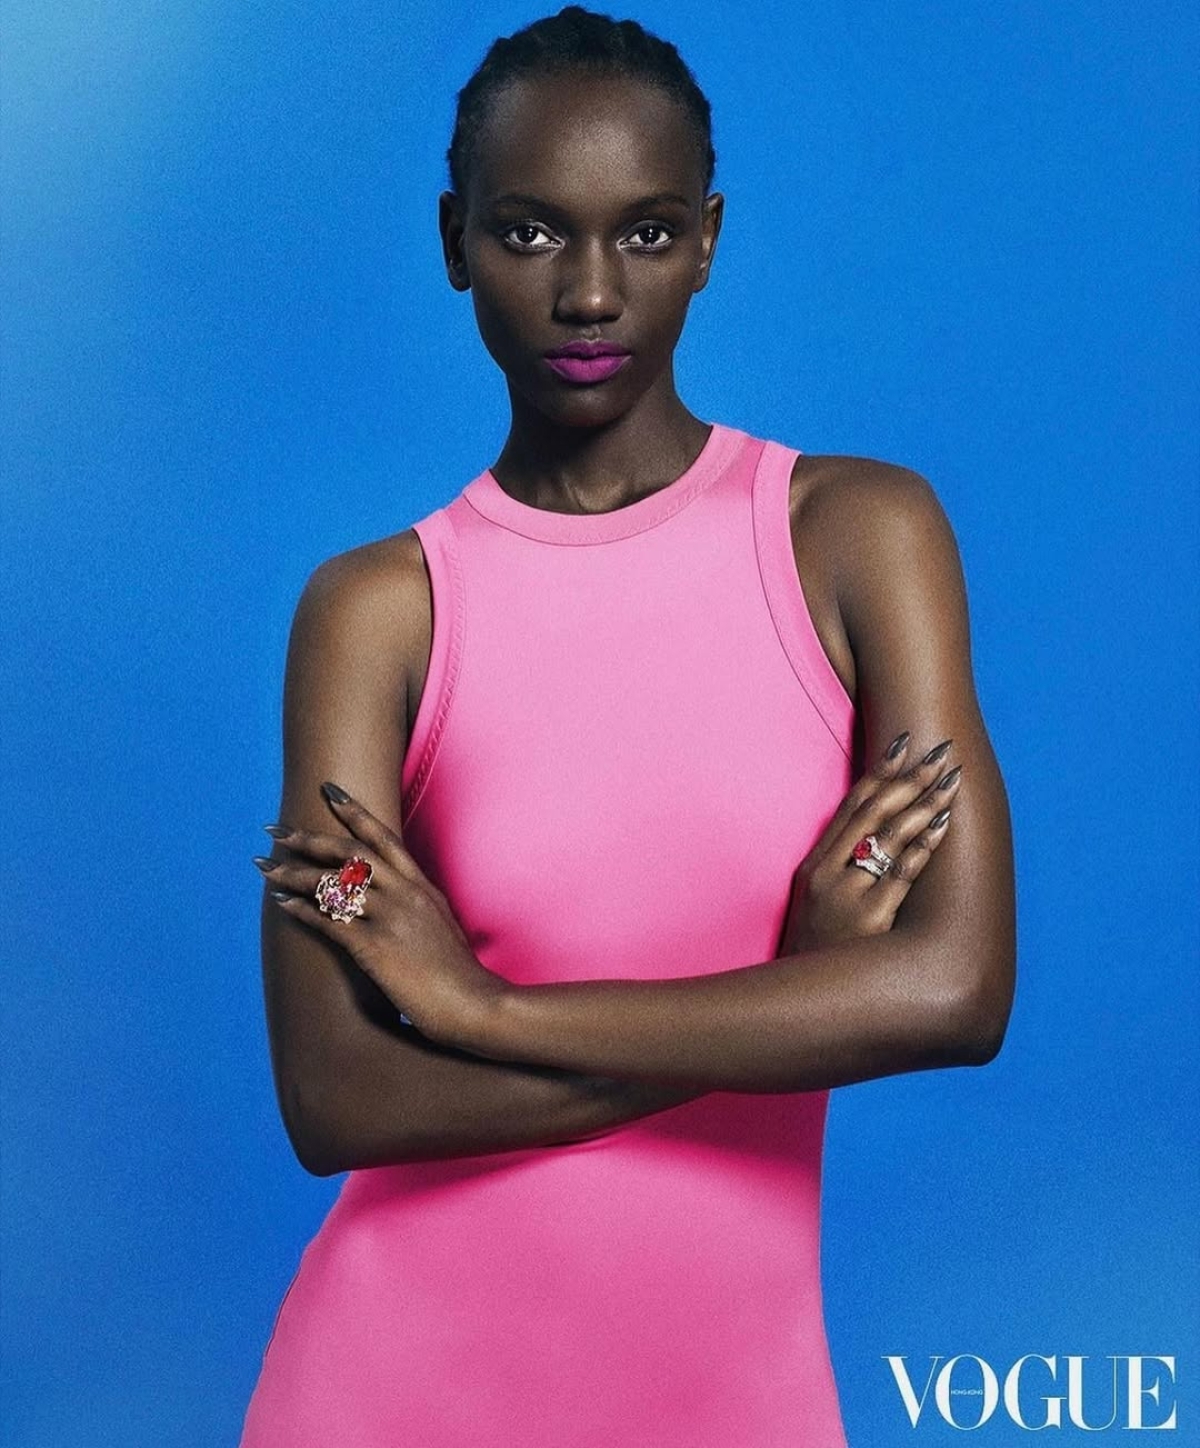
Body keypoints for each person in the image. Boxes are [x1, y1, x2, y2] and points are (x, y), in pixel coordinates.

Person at [241, 8, 1015, 1445]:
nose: (589, 293)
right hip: (392, 1388)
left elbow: (954, 993)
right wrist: (795, 995)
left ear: (708, 241)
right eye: (529, 233)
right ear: (454, 239)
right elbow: (338, 1097)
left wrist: (482, 1013)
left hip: (737, 1396)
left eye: (646, 234)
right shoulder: (374, 615)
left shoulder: (858, 538)